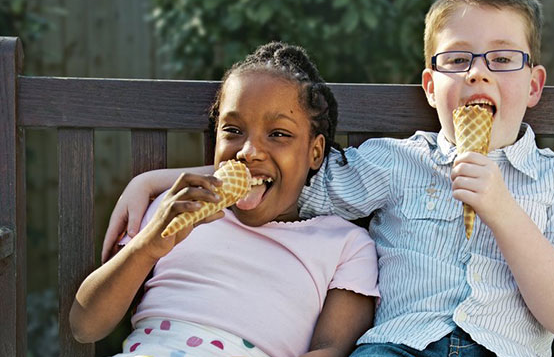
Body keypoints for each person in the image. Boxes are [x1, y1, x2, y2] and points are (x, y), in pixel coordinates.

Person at [102, 0, 554, 357]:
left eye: (502, 59)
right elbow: (292, 182)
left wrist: (503, 211)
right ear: (432, 88)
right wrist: (159, 180)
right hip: (397, 346)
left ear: (534, 85)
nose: (478, 73)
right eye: (457, 60)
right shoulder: (395, 163)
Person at [71, 42, 379, 357]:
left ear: (315, 152)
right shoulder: (174, 208)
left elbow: (331, 348)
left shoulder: (346, 245)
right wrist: (145, 248)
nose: (248, 152)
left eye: (278, 134)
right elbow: (85, 327)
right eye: (233, 130)